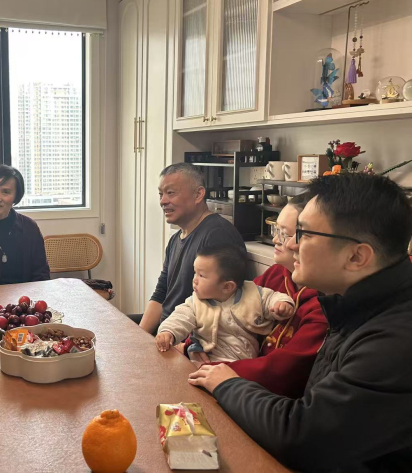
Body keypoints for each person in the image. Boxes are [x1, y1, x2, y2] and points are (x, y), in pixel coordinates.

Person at [188, 174, 412, 471]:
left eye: (303, 234)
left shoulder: (395, 339)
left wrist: (227, 383)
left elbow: (302, 434)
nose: (291, 244)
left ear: (357, 256)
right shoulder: (349, 305)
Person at [183, 194, 328, 398]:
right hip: (233, 373)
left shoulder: (323, 303)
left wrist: (214, 369)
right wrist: (194, 343)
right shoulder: (277, 274)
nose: (275, 239)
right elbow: (225, 307)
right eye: (276, 230)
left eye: (284, 234)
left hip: (265, 394)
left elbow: (283, 368)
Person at [130, 163, 245, 335]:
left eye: (171, 193)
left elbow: (220, 308)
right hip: (166, 330)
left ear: (198, 194)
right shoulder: (175, 239)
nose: (163, 201)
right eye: (161, 194)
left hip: (186, 337)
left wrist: (183, 345)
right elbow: (161, 294)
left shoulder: (217, 235)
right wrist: (140, 337)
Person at [156, 244, 295, 363]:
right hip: (206, 362)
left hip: (243, 366)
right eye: (195, 273)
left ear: (227, 286)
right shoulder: (196, 303)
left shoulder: (253, 294)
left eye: (201, 275)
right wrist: (168, 332)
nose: (194, 280)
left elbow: (271, 298)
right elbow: (180, 317)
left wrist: (282, 304)